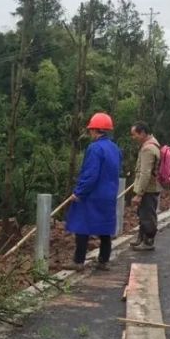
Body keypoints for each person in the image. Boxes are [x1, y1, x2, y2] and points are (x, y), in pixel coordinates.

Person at [66, 112, 122, 271]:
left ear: (95, 130)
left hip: (92, 195)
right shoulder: (115, 148)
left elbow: (90, 174)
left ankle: (78, 261)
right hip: (109, 194)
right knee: (105, 227)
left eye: (91, 129)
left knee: (82, 226)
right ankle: (103, 260)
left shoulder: (94, 148)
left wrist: (79, 192)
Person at [129, 121, 162, 251]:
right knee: (143, 213)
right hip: (149, 187)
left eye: (134, 134)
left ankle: (148, 241)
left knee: (147, 214)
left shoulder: (148, 149)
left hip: (148, 189)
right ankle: (141, 238)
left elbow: (145, 173)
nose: (133, 137)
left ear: (142, 133)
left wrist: (139, 194)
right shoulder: (153, 144)